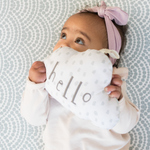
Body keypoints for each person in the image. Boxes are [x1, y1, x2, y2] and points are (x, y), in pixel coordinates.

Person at [20, 1, 140, 150]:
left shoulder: (110, 83)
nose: (64, 44)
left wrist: (119, 100)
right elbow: (33, 118)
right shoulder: (51, 80)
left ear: (105, 57)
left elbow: (125, 126)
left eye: (79, 40)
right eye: (63, 35)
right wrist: (35, 85)